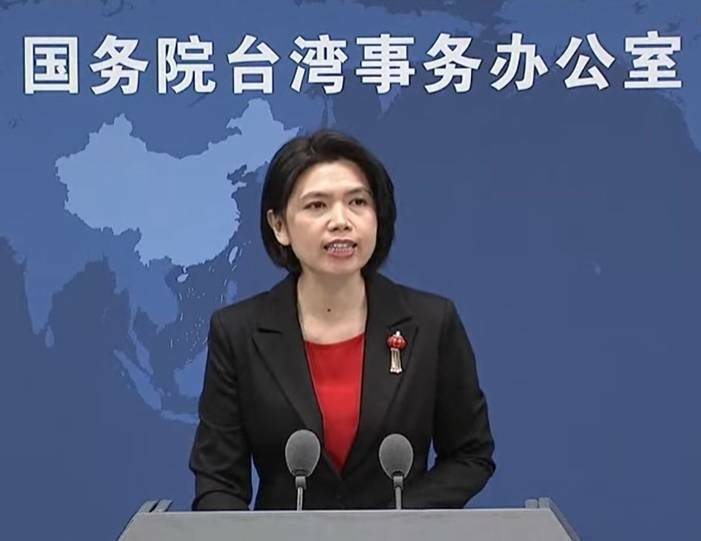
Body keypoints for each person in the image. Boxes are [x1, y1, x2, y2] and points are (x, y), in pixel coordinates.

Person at [189, 129, 495, 510]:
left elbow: (470, 454)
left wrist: (396, 525)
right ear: (279, 225)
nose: (341, 221)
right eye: (317, 206)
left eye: (358, 202)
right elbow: (218, 480)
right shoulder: (238, 333)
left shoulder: (432, 323)